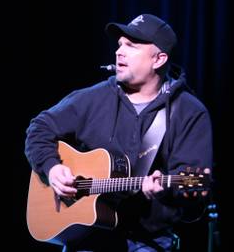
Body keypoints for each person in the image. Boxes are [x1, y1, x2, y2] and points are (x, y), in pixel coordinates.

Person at [24, 13, 213, 252]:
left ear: (159, 59)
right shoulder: (95, 97)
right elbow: (39, 128)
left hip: (147, 241)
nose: (119, 51)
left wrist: (165, 191)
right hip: (86, 237)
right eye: (120, 44)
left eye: (131, 46)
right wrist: (52, 168)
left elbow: (194, 200)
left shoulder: (188, 112)